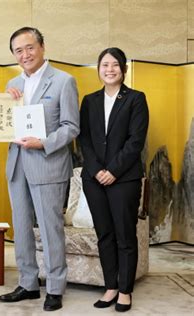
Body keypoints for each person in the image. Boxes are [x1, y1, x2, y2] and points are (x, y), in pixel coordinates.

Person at [0, 27, 80, 312]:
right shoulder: (12, 83)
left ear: (43, 47)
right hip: (17, 165)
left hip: (48, 164)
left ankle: (55, 287)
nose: (25, 54)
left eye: (29, 47)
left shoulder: (64, 81)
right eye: (18, 51)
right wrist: (4, 107)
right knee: (20, 229)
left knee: (50, 229)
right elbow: (4, 125)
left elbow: (71, 127)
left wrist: (43, 143)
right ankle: (28, 283)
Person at [79, 47, 149, 312]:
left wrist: (114, 171)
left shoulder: (135, 99)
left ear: (123, 69)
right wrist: (97, 170)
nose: (109, 69)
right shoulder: (90, 100)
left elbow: (136, 141)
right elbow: (83, 139)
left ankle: (125, 291)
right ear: (98, 69)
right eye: (104, 65)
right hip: (93, 178)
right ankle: (110, 287)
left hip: (125, 179)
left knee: (124, 235)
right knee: (104, 234)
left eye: (115, 65)